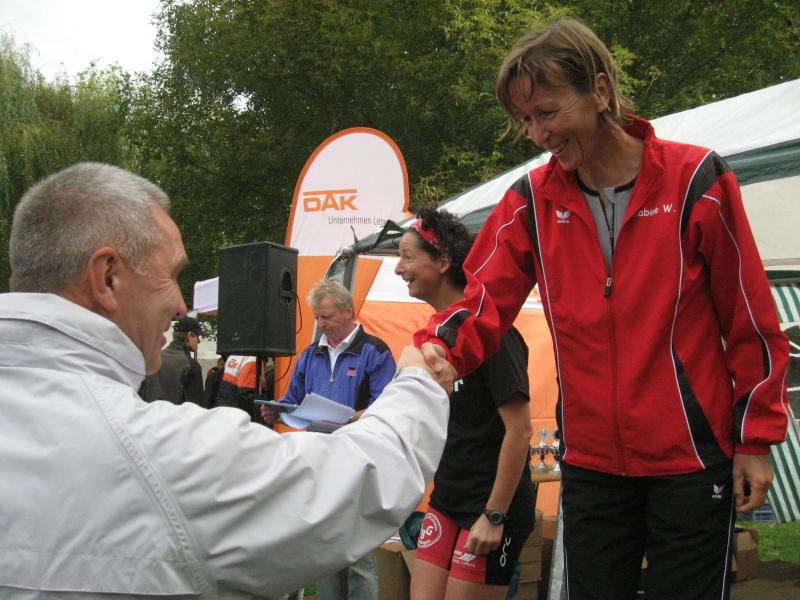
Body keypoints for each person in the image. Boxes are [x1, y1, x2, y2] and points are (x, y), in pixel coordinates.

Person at [415, 18, 790, 600]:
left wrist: (755, 439)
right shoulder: (530, 202)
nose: (537, 134)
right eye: (525, 120)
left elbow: (751, 321)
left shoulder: (697, 179)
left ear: (600, 90)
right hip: (591, 463)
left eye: (547, 111)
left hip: (691, 458)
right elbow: (481, 301)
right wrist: (439, 349)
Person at [0, 161, 456, 598]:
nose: (181, 307)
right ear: (108, 278)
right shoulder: (155, 452)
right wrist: (417, 379)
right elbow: (359, 481)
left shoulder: (372, 350)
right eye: (171, 276)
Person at [395, 208, 534, 600]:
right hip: (447, 498)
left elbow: (520, 431)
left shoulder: (493, 335)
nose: (398, 269)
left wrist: (494, 515)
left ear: (443, 262)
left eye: (407, 257)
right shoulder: (435, 338)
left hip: (489, 507)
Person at [262, 279, 397, 600]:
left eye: (327, 317)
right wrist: (276, 411)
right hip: (320, 459)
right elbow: (294, 399)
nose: (321, 324)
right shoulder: (311, 354)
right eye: (317, 318)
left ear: (349, 311)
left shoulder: (374, 351)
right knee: (324, 549)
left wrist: (353, 418)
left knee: (358, 553)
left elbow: (389, 405)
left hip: (358, 459)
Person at [142, 314, 205, 406]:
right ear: (190, 335)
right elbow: (195, 407)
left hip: (149, 413)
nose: (198, 341)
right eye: (197, 336)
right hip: (175, 415)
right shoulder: (192, 366)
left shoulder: (152, 359)